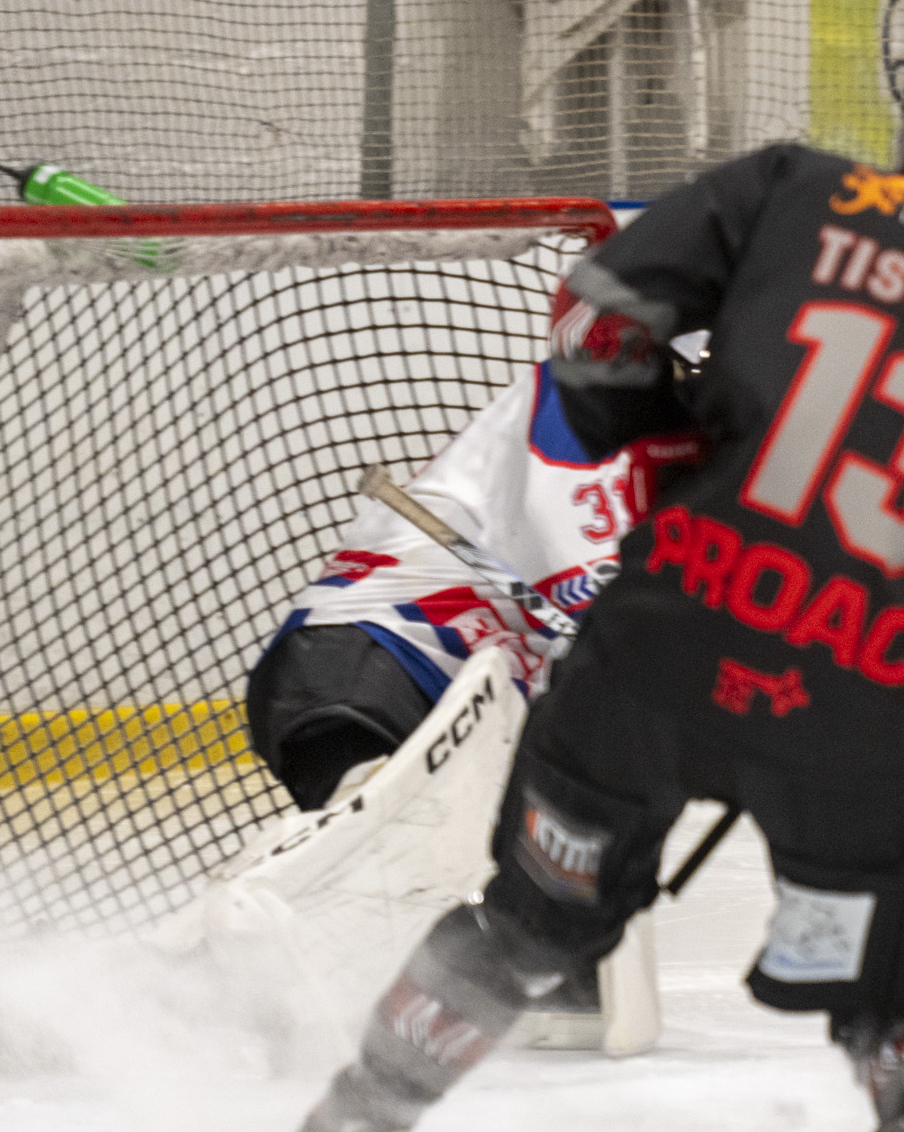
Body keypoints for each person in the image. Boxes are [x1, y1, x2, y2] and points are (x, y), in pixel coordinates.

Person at [216, 47, 904, 1132]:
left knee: (529, 924)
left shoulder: (792, 188)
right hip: (872, 696)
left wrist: (641, 431)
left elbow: (598, 318)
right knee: (897, 986)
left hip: (663, 637)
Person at [240, 355, 701, 1046]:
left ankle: (524, 959)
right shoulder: (592, 398)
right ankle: (230, 958)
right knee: (380, 846)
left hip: (468, 697)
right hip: (369, 662)